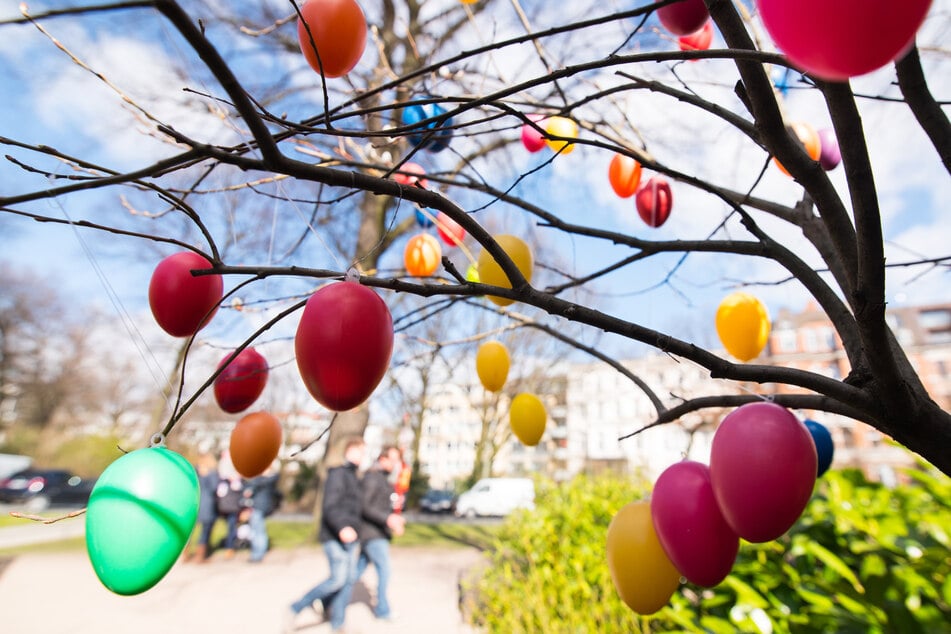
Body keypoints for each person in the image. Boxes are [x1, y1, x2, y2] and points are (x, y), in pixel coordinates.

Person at [285, 436, 366, 633]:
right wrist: (342, 527)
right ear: (350, 451)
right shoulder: (338, 474)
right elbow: (330, 506)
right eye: (361, 451)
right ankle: (297, 607)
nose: (363, 456)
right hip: (335, 536)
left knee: (347, 581)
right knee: (338, 579)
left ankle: (338, 622)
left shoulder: (356, 476)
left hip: (352, 536)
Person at [355, 446, 406, 621]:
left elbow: (385, 504)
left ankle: (327, 599)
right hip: (372, 533)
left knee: (355, 572)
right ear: (382, 459)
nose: (395, 464)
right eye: (392, 459)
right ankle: (383, 610)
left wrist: (395, 514)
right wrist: (388, 519)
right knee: (384, 570)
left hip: (378, 532)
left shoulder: (384, 480)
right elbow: (365, 506)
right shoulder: (372, 478)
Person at [187, 448, 219, 562]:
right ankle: (200, 556)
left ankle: (185, 553)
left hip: (195, 502)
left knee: (190, 529)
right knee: (205, 530)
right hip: (207, 503)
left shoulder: (194, 471)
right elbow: (215, 487)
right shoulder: (212, 473)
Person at [245, 464, 281, 563]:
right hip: (260, 506)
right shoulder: (267, 480)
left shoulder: (267, 480)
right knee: (257, 530)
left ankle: (257, 554)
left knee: (258, 531)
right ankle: (257, 553)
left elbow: (256, 483)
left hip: (260, 507)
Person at [215, 449, 245, 560]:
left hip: (229, 506)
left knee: (231, 526)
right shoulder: (230, 481)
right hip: (229, 506)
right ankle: (229, 546)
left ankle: (229, 546)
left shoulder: (227, 481)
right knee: (231, 526)